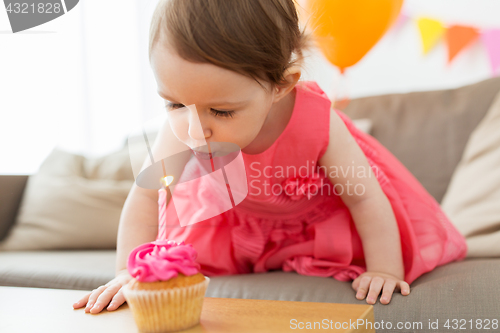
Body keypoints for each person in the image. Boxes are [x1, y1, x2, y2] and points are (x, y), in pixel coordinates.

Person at [73, 0, 467, 314]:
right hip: (240, 223)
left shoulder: (318, 122)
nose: (195, 131)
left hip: (315, 221)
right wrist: (127, 270)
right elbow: (146, 197)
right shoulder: (183, 127)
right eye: (174, 104)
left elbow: (364, 199)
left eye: (222, 111)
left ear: (281, 85)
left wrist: (384, 270)